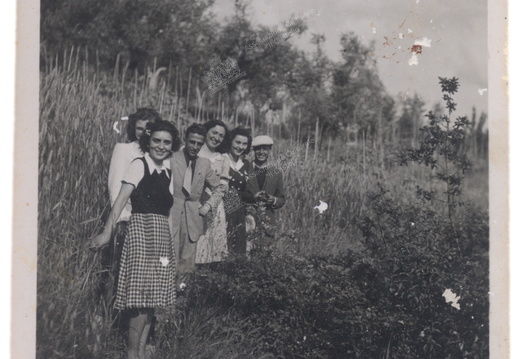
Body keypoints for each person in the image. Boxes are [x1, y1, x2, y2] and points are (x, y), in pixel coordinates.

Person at [90, 120, 180, 359]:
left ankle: (140, 351)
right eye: (157, 141)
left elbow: (168, 214)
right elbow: (120, 202)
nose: (161, 146)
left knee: (153, 298)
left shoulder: (168, 171)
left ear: (173, 145)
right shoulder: (138, 165)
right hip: (141, 233)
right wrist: (107, 232)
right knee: (141, 297)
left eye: (166, 142)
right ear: (148, 142)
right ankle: (132, 353)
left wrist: (170, 252)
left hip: (161, 238)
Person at [106, 108, 163, 279]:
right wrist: (122, 219)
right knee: (122, 270)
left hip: (152, 221)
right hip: (127, 219)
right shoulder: (123, 149)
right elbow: (115, 186)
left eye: (149, 129)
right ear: (133, 129)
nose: (144, 133)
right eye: (139, 128)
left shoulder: (159, 154)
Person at [169, 123, 224, 278]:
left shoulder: (204, 163)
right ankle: (164, 297)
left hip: (193, 219)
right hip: (170, 215)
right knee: (167, 259)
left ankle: (182, 298)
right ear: (185, 140)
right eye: (192, 142)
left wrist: (207, 206)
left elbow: (219, 189)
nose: (195, 146)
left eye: (199, 144)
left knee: (187, 264)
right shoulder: (172, 158)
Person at [195, 120, 231, 264]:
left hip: (213, 208)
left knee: (210, 253)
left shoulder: (223, 159)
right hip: (192, 204)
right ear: (206, 131)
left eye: (221, 135)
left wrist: (208, 206)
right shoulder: (192, 150)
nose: (216, 137)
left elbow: (222, 188)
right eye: (214, 132)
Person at [244, 135, 286, 251]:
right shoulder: (245, 169)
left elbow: (282, 198)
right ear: (253, 150)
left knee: (264, 258)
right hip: (247, 220)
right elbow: (239, 193)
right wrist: (252, 198)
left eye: (265, 149)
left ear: (269, 150)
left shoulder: (276, 172)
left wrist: (274, 200)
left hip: (267, 223)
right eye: (258, 149)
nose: (261, 152)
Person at [223, 127, 253, 255]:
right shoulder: (221, 159)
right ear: (230, 141)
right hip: (221, 209)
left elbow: (249, 192)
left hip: (238, 211)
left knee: (237, 245)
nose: (240, 147)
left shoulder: (245, 164)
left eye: (244, 144)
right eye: (238, 142)